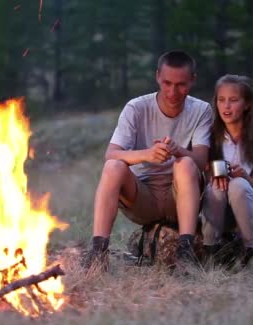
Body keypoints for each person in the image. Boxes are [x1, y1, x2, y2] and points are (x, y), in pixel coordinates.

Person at [81, 50, 213, 271]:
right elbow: (111, 154)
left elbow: (201, 161)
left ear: (193, 80)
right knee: (114, 166)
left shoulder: (201, 110)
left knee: (186, 163)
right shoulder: (137, 107)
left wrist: (178, 150)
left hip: (179, 195)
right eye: (167, 83)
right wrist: (146, 154)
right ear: (157, 77)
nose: (173, 92)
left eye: (181, 85)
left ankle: (186, 249)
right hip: (142, 197)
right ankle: (98, 251)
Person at [201, 74, 253, 266]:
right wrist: (213, 174)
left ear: (247, 104)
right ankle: (210, 250)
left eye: (233, 100)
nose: (226, 106)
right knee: (216, 187)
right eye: (221, 100)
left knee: (239, 185)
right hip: (220, 208)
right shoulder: (208, 135)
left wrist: (243, 176)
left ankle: (252, 251)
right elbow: (206, 177)